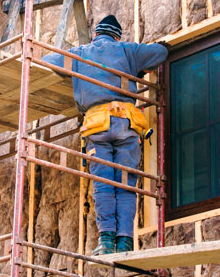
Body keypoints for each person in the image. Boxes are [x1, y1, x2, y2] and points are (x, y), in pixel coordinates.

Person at [42, 15, 168, 255]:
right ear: (116, 36)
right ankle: (125, 241)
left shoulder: (80, 53)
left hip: (96, 127)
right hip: (126, 125)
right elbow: (160, 53)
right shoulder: (127, 50)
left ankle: (106, 241)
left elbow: (47, 60)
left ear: (97, 34)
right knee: (125, 184)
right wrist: (137, 66)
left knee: (103, 184)